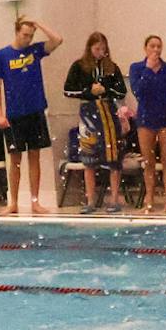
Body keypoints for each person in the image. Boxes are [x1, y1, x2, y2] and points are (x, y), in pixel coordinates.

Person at [0, 17, 64, 216]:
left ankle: (35, 201)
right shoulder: (2, 55)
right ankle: (13, 202)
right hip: (14, 114)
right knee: (15, 160)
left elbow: (57, 40)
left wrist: (39, 23)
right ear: (16, 32)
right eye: (24, 35)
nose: (27, 39)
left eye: (31, 36)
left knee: (35, 158)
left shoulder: (35, 50)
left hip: (35, 111)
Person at [62, 31, 126, 214]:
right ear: (90, 48)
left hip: (108, 113)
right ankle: (90, 200)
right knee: (89, 159)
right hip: (89, 115)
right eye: (97, 49)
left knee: (113, 158)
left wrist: (105, 90)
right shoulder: (79, 66)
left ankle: (114, 199)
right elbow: (68, 90)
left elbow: (122, 92)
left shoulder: (112, 68)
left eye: (103, 49)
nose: (100, 52)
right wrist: (88, 91)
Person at [129, 34, 166, 213]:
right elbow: (137, 91)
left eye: (159, 46)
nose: (156, 50)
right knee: (148, 161)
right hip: (145, 119)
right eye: (152, 46)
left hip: (165, 119)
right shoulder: (137, 68)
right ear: (145, 48)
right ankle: (149, 199)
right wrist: (148, 69)